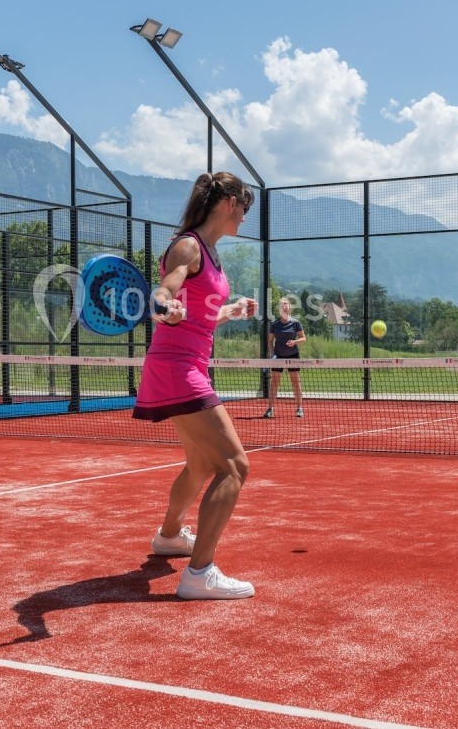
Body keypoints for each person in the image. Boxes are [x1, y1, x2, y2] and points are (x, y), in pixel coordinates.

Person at [133, 172, 258, 600]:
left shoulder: (212, 254)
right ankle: (199, 572)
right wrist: (165, 306)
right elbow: (165, 292)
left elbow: (199, 317)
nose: (245, 217)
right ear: (228, 204)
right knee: (235, 466)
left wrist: (231, 311)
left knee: (203, 464)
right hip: (176, 367)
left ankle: (169, 537)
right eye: (244, 207)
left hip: (188, 365)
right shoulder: (188, 246)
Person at [264, 296, 306, 418]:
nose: (285, 306)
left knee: (296, 382)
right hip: (278, 357)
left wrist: (294, 342)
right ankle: (270, 409)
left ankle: (299, 408)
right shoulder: (274, 324)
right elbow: (270, 340)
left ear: (289, 307)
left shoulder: (296, 323)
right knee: (275, 383)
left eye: (286, 304)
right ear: (279, 309)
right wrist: (272, 354)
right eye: (282, 304)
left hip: (293, 356)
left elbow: (303, 338)